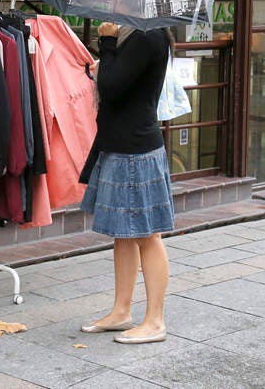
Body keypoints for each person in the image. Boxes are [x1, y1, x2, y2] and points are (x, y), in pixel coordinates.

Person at [79, 22, 173, 344]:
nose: (114, 2)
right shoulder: (135, 35)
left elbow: (113, 87)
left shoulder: (148, 36)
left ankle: (155, 321)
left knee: (147, 235)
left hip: (136, 151)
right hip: (122, 146)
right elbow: (118, 81)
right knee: (124, 235)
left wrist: (107, 43)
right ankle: (121, 311)